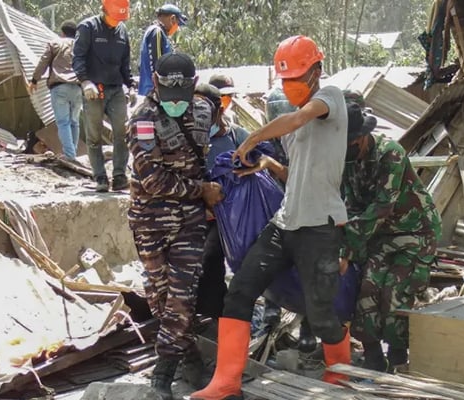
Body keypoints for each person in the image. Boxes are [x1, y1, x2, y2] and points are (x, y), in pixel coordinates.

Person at [191, 35, 351, 400]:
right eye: (285, 80)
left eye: (297, 78)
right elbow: (299, 172)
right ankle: (225, 381)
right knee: (241, 291)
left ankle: (339, 380)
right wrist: (266, 163)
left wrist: (250, 141)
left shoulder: (331, 99)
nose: (290, 86)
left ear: (316, 72)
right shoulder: (292, 127)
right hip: (285, 222)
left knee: (322, 311)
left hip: (321, 226)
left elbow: (297, 118)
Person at [128, 52, 223, 400]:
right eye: (169, 96)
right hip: (150, 219)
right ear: (155, 83)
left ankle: (162, 377)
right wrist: (202, 191)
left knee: (182, 296)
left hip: (189, 221)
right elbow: (151, 179)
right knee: (161, 296)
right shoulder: (142, 118)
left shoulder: (203, 110)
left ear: (194, 86)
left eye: (182, 97)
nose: (175, 105)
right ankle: (190, 354)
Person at [340, 99, 441, 372]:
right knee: (367, 290)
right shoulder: (348, 160)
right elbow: (351, 203)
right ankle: (373, 357)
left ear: (361, 137)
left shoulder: (390, 154)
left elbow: (382, 206)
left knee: (394, 294)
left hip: (416, 233)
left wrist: (348, 247)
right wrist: (346, 247)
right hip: (380, 235)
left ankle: (399, 359)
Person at [192, 83, 249, 320]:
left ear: (219, 111)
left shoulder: (238, 137)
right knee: (207, 266)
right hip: (201, 216)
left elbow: (254, 175)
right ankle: (211, 318)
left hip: (234, 218)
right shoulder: (189, 138)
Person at [73, 0, 132, 192]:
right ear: (104, 10)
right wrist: (85, 81)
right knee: (94, 136)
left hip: (116, 89)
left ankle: (119, 175)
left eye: (120, 18)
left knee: (122, 133)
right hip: (94, 89)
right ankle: (100, 178)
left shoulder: (123, 31)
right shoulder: (88, 28)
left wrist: (129, 86)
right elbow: (78, 57)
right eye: (114, 17)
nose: (117, 21)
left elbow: (125, 63)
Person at [30, 20, 82, 161]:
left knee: (63, 122)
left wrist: (34, 80)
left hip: (59, 87)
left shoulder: (55, 43)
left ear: (62, 33)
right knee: (74, 122)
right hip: (78, 87)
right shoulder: (81, 46)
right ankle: (73, 153)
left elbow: (43, 62)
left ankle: (70, 155)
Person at [137, 3, 187, 96]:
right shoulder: (157, 32)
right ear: (172, 19)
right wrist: (160, 89)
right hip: (155, 92)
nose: (176, 28)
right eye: (177, 24)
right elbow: (158, 64)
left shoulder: (156, 32)